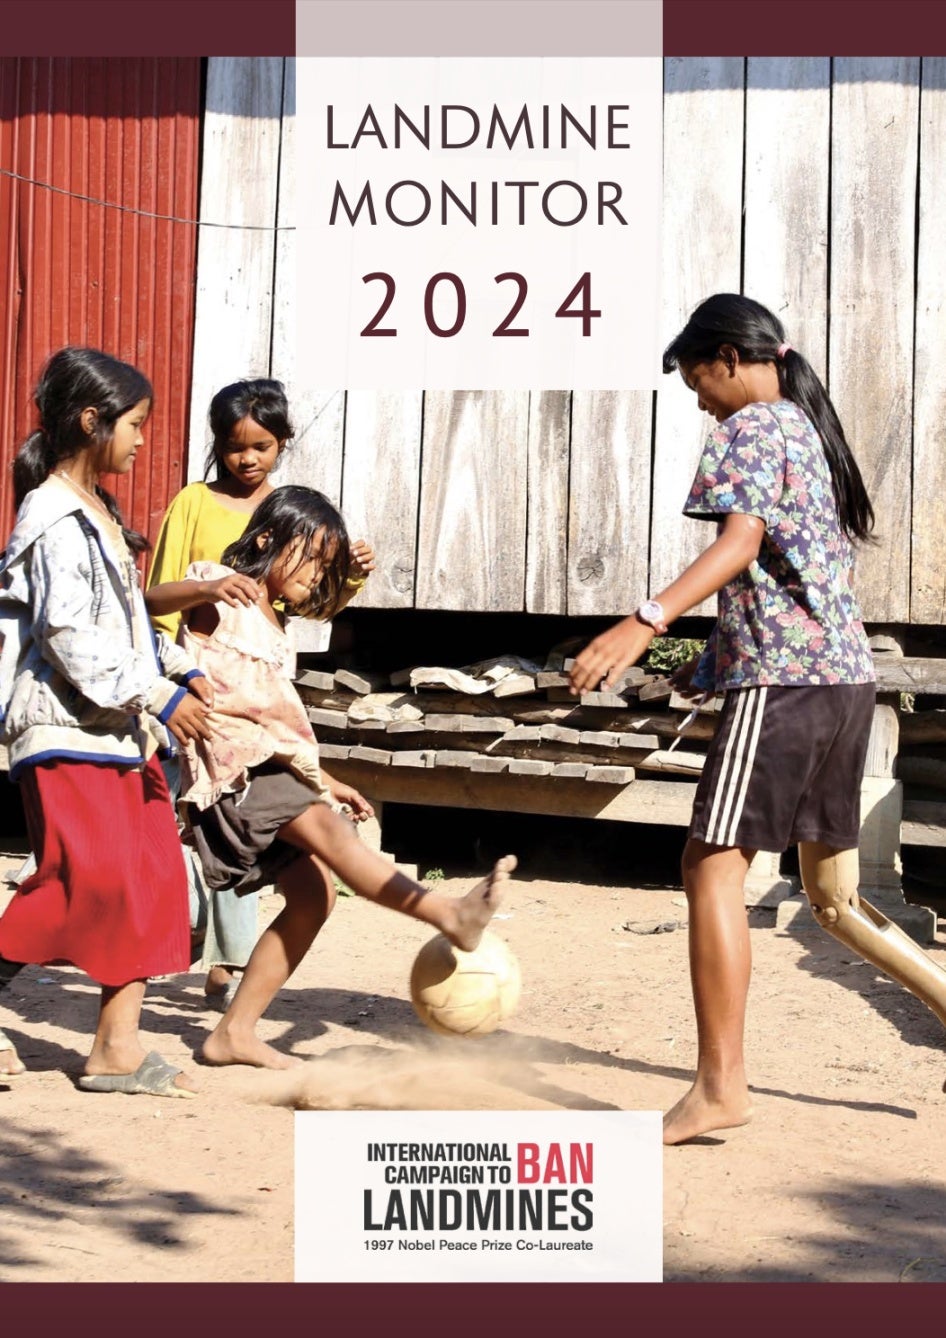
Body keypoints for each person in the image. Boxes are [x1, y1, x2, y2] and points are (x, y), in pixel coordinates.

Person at [569, 292, 946, 1145]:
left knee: (710, 869)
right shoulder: (804, 431)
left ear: (732, 358)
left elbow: (739, 545)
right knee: (834, 899)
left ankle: (720, 1087)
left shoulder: (749, 427)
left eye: (698, 379)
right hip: (844, 682)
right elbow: (783, 573)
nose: (699, 398)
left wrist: (644, 621)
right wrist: (707, 665)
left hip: (786, 684)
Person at [148, 484, 515, 1070]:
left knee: (315, 895)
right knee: (339, 844)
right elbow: (150, 599)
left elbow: (277, 721)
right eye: (312, 558)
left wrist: (324, 780)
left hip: (269, 765)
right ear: (267, 540)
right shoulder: (217, 590)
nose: (317, 575)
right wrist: (206, 585)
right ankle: (447, 913)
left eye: (326, 567)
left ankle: (234, 1033)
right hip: (232, 767)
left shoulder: (274, 625)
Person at [0, 347, 213, 1095]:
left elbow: (120, 628)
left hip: (118, 730)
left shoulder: (103, 515)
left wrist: (181, 669)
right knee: (76, 883)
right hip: (65, 728)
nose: (141, 440)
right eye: (133, 424)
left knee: (152, 879)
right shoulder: (52, 514)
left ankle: (116, 1049)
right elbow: (67, 634)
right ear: (91, 422)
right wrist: (155, 694)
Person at [145, 378, 375, 1010]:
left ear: (282, 446)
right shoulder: (194, 502)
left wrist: (349, 575)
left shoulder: (293, 510)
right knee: (203, 827)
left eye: (262, 447)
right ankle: (188, 954)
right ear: (218, 445)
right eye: (235, 447)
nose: (248, 459)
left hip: (255, 697)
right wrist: (165, 679)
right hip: (189, 687)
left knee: (250, 835)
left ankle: (228, 972)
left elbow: (307, 607)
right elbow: (163, 592)